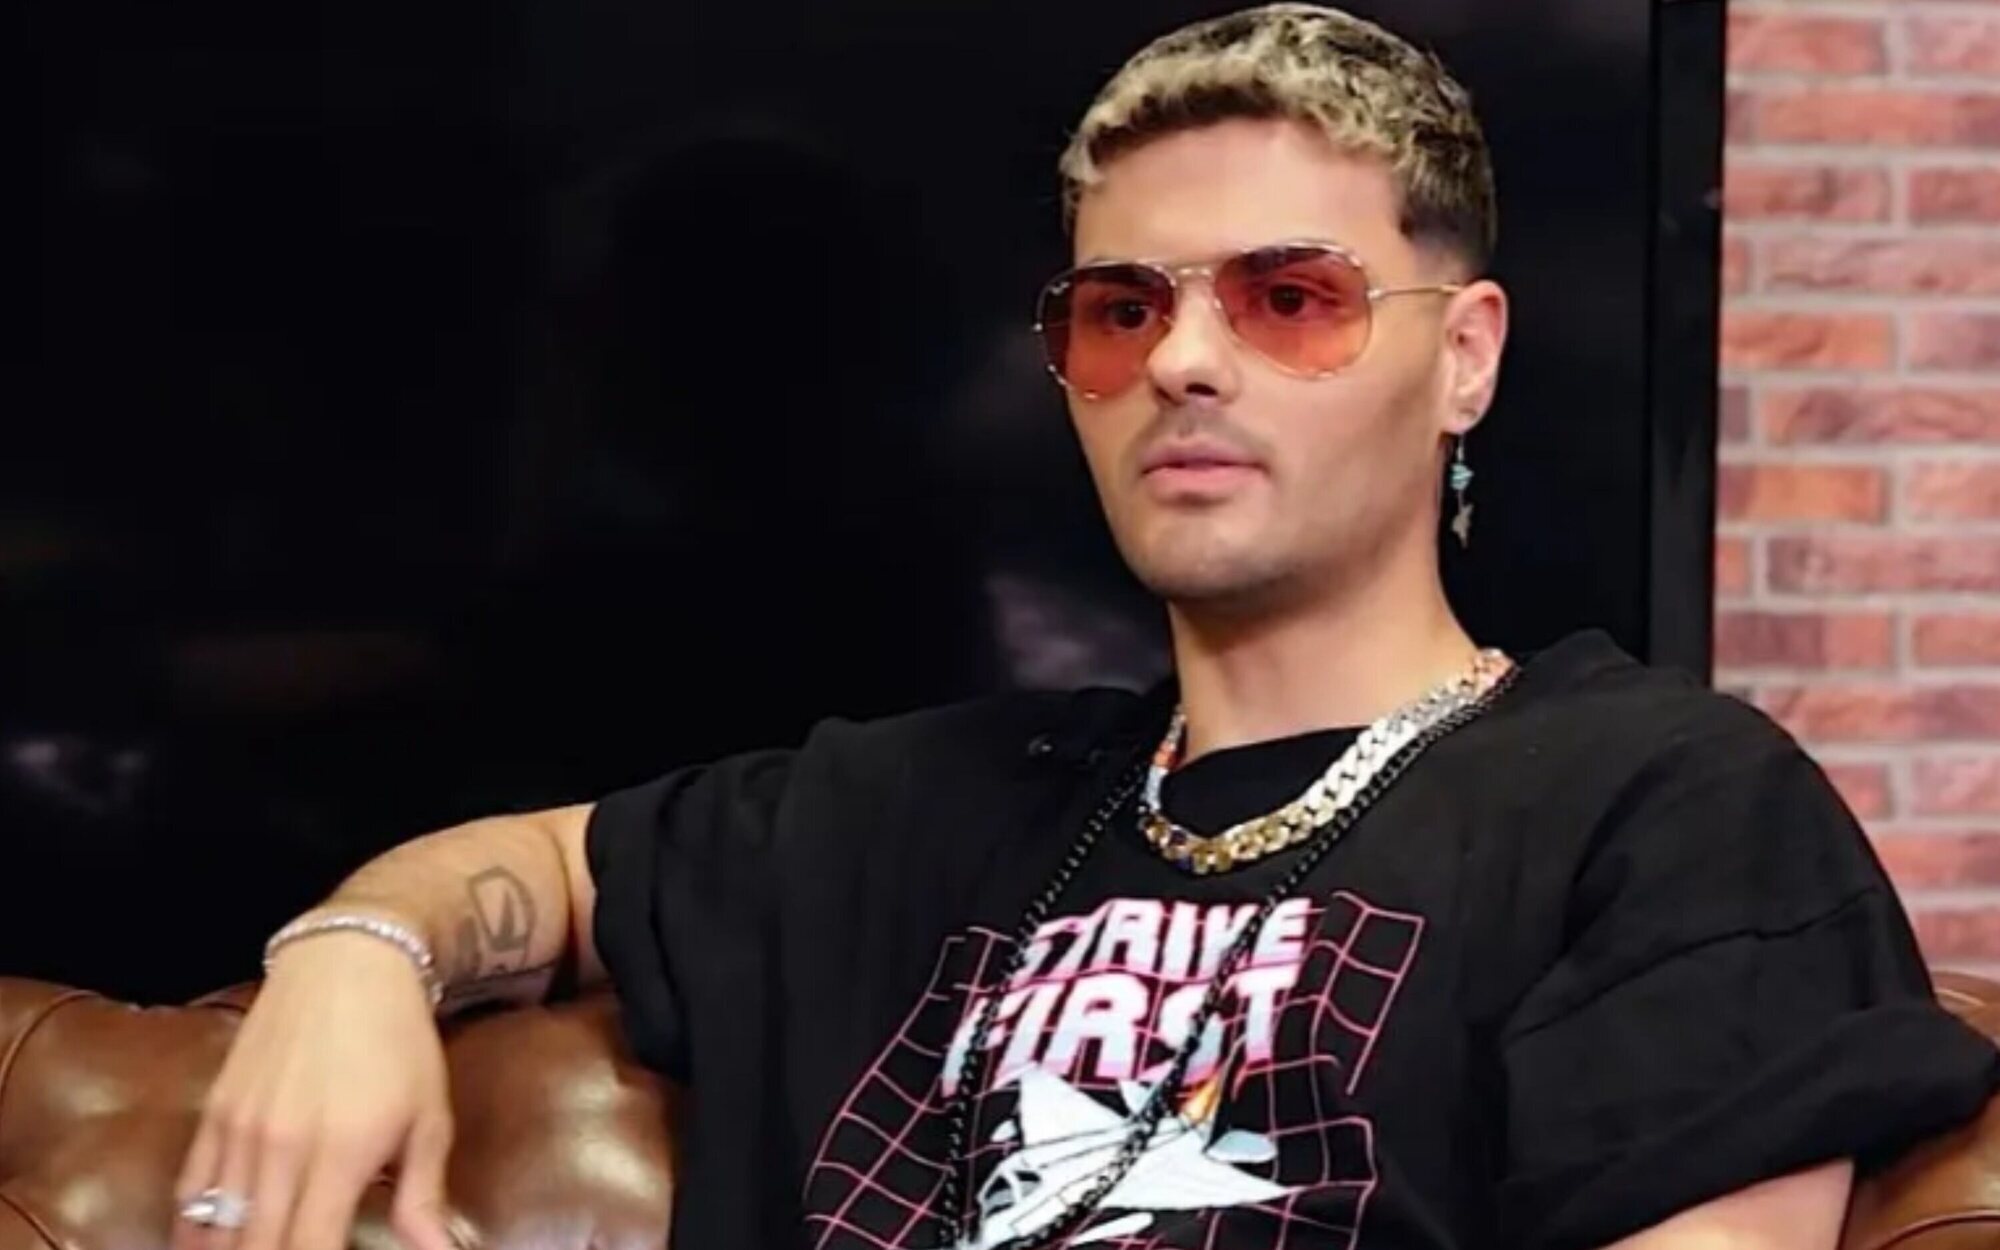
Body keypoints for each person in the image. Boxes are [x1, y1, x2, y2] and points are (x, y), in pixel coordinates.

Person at [170, 6, 2000, 1250]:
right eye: (1123, 310)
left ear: (1466, 357)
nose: (1184, 359)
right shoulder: (910, 805)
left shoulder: (1661, 804)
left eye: (1289, 297)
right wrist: (356, 956)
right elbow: (526, 867)